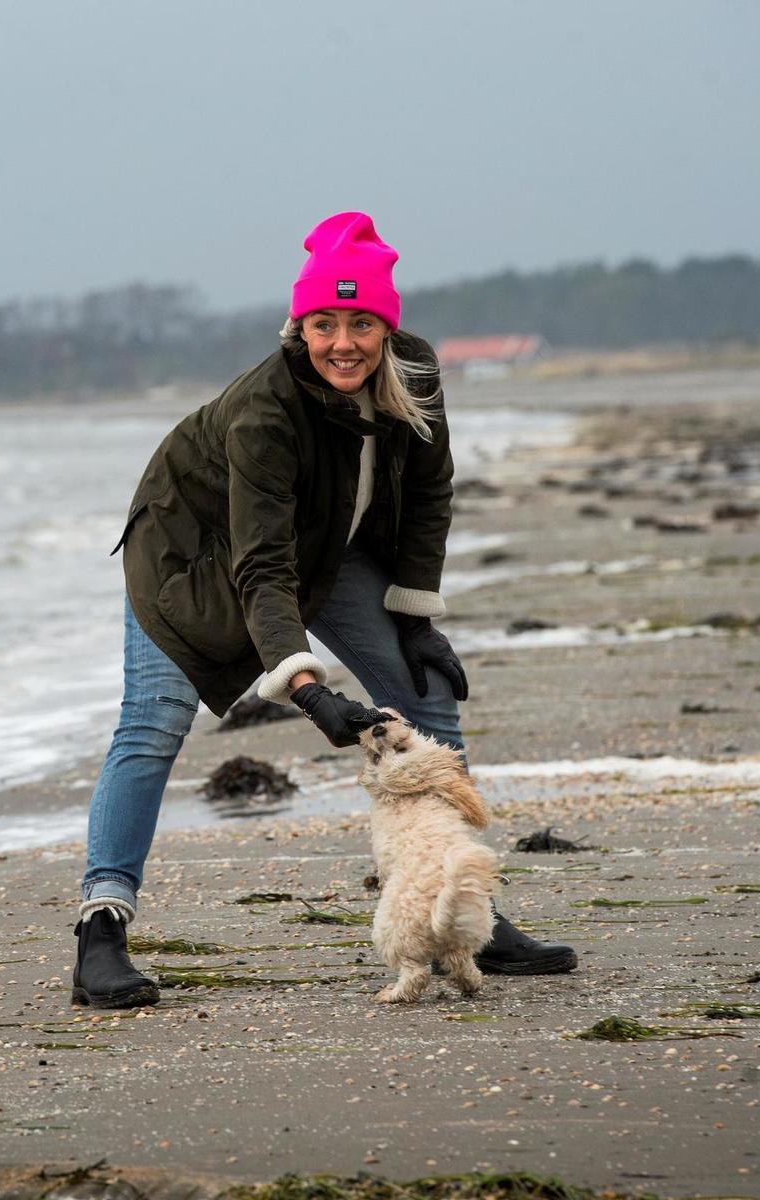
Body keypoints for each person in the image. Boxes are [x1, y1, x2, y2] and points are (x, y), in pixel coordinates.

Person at [72, 212, 577, 1008]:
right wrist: (308, 691)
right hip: (193, 560)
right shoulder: (266, 411)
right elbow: (262, 568)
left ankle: (466, 909)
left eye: (361, 323)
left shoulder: (414, 370)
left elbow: (428, 497)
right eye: (323, 324)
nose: (342, 342)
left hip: (327, 548)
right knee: (152, 725)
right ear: (298, 324)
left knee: (427, 692)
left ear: (387, 325)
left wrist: (415, 620)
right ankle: (101, 930)